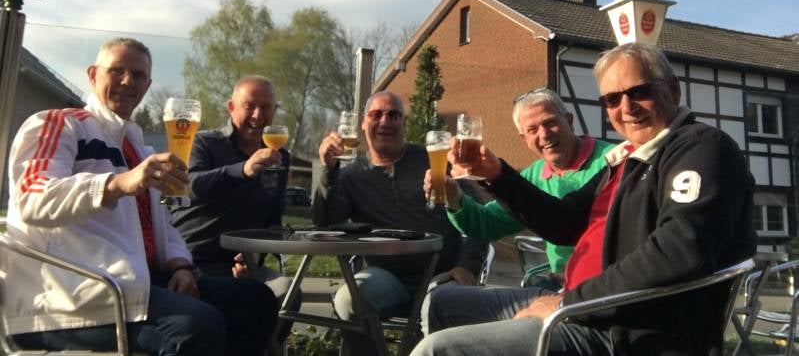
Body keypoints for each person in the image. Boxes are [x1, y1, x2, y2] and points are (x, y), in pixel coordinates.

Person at [412, 42, 756, 356]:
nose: (627, 107)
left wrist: (567, 303)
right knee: (442, 302)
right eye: (612, 99)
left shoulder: (701, 148)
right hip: (579, 303)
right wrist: (498, 175)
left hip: (623, 331)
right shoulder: (628, 159)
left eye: (639, 91)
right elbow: (565, 223)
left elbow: (680, 251)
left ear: (673, 89)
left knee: (437, 350)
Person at [4, 38, 276, 356]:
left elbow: (164, 226)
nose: (127, 81)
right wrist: (119, 183)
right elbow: (31, 198)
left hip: (140, 282)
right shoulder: (59, 124)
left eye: (137, 75)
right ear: (92, 75)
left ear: (147, 85)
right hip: (69, 297)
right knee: (197, 327)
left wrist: (180, 267)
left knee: (256, 301)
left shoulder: (138, 148)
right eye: (116, 71)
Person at [314, 90, 488, 356]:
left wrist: (468, 266)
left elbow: (478, 217)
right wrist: (328, 170)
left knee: (442, 308)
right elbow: (326, 222)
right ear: (363, 123)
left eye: (393, 115)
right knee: (348, 300)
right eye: (376, 114)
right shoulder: (351, 176)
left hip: (443, 276)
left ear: (403, 123)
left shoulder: (434, 158)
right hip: (388, 278)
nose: (385, 121)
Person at [439, 88, 613, 287]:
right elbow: (488, 224)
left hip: (606, 285)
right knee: (444, 297)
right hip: (559, 286)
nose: (544, 135)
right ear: (524, 139)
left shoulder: (613, 162)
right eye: (532, 130)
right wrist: (454, 199)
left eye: (550, 123)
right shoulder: (534, 174)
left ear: (569, 121)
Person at [171, 76, 291, 284]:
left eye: (265, 107)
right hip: (191, 261)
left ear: (274, 111)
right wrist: (243, 170)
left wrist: (256, 255)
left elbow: (272, 221)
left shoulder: (280, 156)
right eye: (249, 106)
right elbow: (189, 186)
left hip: (243, 265)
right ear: (231, 108)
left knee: (286, 290)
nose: (257, 115)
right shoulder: (203, 142)